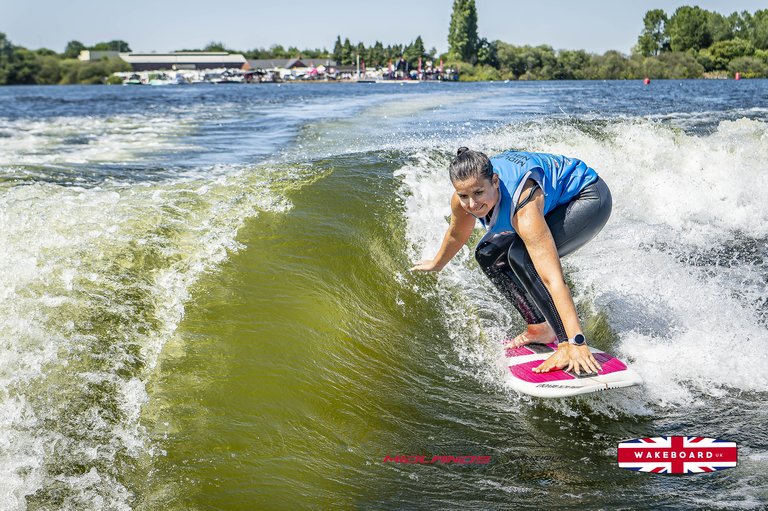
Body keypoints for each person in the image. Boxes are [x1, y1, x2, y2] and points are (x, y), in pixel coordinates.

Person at [411, 148, 612, 375]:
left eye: (478, 193)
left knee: (520, 255)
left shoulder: (523, 205)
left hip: (588, 197)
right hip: (552, 202)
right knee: (488, 255)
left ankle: (565, 343)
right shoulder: (465, 198)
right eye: (463, 196)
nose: (472, 204)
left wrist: (576, 342)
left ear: (495, 181)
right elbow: (457, 233)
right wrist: (438, 263)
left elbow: (552, 277)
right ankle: (540, 328)